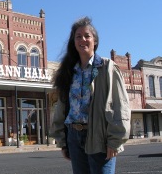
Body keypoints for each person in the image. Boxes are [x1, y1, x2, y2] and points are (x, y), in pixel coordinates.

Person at [50, 17, 131, 174]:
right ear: (74, 42)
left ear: (95, 41)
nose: (83, 39)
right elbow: (61, 107)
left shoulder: (108, 68)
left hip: (99, 136)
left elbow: (120, 104)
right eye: (78, 36)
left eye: (87, 35)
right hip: (74, 136)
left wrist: (115, 140)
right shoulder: (68, 72)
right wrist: (63, 141)